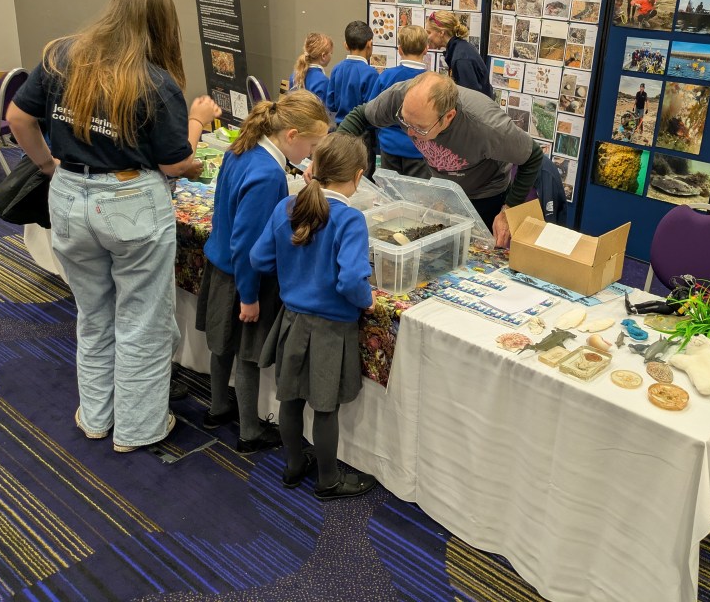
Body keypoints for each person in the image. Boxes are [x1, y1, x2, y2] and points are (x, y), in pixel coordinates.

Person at [7, 0, 222, 452]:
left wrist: (47, 165)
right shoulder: (155, 81)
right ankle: (138, 429)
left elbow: (18, 118)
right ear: (162, 24)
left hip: (68, 194)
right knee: (142, 320)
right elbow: (176, 164)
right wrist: (196, 122)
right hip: (130, 201)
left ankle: (97, 416)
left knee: (93, 313)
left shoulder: (61, 55)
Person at [196, 91, 330, 454]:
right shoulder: (268, 174)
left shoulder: (242, 149)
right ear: (291, 135)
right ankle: (249, 432)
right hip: (244, 279)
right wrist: (250, 297)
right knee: (248, 355)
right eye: (312, 146)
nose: (312, 154)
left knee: (222, 346)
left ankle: (217, 408)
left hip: (221, 267)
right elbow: (247, 244)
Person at [251, 133, 377, 500]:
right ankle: (328, 480)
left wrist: (295, 272)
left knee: (289, 399)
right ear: (357, 176)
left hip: (291, 321)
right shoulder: (350, 219)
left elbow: (259, 259)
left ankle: (293, 466)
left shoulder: (287, 207)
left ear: (314, 168)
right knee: (325, 407)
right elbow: (351, 280)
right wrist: (366, 299)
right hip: (331, 331)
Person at [336, 72, 543, 246]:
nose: (409, 132)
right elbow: (360, 116)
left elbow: (533, 157)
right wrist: (331, 157)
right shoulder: (402, 97)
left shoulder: (488, 127)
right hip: (443, 191)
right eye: (405, 121)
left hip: (484, 196)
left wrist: (509, 209)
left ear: (448, 117)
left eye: (420, 128)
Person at [368, 25, 431, 178]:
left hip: (389, 145)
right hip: (419, 149)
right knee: (417, 191)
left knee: (389, 189)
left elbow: (372, 110)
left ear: (400, 50)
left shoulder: (386, 76)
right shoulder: (431, 81)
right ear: (426, 49)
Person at [425, 11, 492, 97]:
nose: (427, 37)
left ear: (441, 33)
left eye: (429, 32)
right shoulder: (459, 49)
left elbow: (469, 98)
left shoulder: (461, 59)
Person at [325, 21, 375, 127]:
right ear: (369, 44)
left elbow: (330, 104)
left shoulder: (336, 69)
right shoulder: (371, 74)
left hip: (340, 128)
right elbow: (371, 110)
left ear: (346, 45)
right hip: (361, 131)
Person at [288, 32, 333, 103]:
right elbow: (323, 109)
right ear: (323, 56)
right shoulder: (323, 81)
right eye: (331, 53)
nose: (331, 55)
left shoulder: (294, 76)